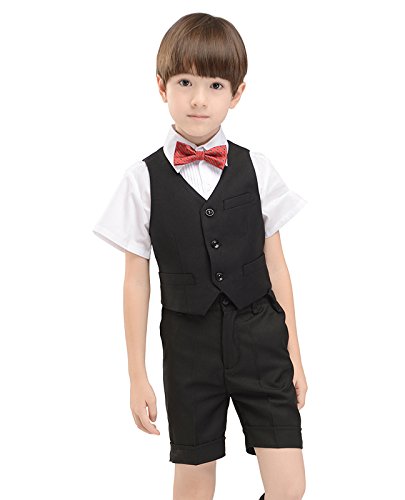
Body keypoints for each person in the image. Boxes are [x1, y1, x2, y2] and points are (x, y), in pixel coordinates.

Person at [93, 12, 308, 500]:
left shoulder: (258, 168)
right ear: (161, 86)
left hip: (261, 340)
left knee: (289, 486)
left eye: (215, 85)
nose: (198, 99)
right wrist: (136, 375)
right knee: (193, 484)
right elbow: (136, 280)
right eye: (185, 82)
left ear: (237, 94)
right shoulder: (141, 179)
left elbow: (277, 266)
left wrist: (294, 351)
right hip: (188, 348)